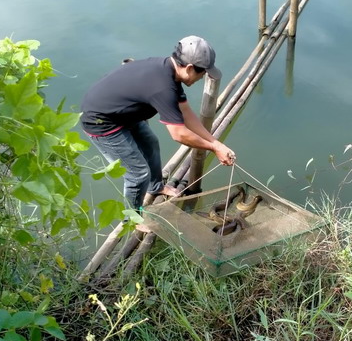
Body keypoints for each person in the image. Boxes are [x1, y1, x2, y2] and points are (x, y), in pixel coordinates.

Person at [81, 35, 236, 213]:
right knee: (137, 174)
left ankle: (155, 187)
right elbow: (179, 134)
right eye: (203, 73)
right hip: (101, 123)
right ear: (190, 68)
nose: (203, 77)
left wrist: (217, 143)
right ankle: (133, 218)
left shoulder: (168, 71)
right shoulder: (163, 88)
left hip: (122, 114)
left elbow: (186, 113)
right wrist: (213, 149)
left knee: (151, 143)